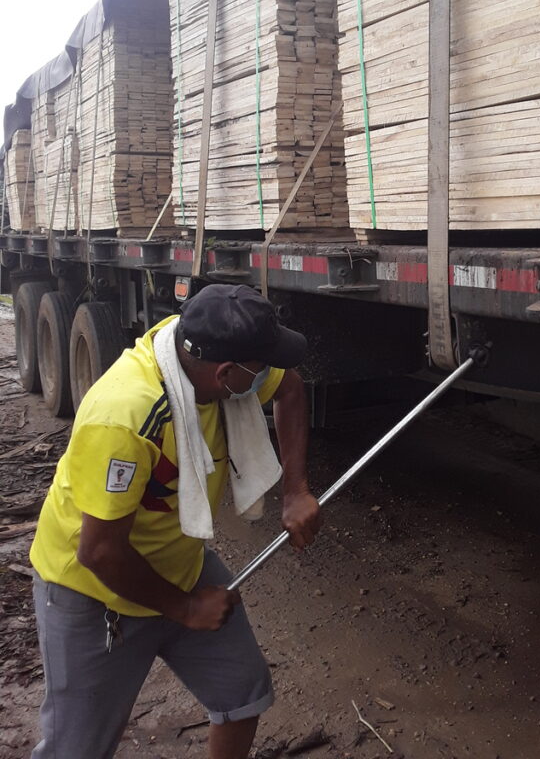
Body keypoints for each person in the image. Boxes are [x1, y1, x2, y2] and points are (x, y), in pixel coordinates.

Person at [29, 284, 321, 759]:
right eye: (262, 364)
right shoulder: (123, 416)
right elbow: (99, 550)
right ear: (227, 375)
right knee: (76, 748)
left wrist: (296, 490)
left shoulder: (195, 352)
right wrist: (185, 609)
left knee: (242, 691)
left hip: (178, 564)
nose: (270, 371)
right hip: (93, 592)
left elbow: (289, 387)